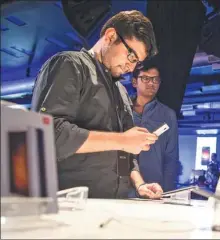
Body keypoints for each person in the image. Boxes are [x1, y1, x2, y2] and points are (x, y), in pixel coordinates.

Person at [31, 11, 164, 199]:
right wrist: (123, 140)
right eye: (131, 56)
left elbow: (125, 153)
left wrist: (139, 184)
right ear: (110, 36)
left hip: (113, 204)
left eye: (137, 63)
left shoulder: (121, 91)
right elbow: (49, 134)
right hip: (69, 205)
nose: (131, 67)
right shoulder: (70, 65)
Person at [128, 56, 179, 196]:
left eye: (156, 79)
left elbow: (171, 158)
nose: (152, 83)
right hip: (124, 188)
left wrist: (167, 193)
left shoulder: (168, 115)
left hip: (155, 189)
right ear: (134, 82)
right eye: (145, 78)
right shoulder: (122, 110)